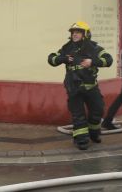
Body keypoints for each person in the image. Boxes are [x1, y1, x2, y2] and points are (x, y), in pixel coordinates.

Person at [48, 21, 113, 150]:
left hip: (91, 87)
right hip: (74, 88)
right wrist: (63, 59)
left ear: (85, 34)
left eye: (78, 32)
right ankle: (81, 140)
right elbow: (51, 59)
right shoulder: (67, 48)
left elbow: (108, 59)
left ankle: (94, 134)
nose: (75, 35)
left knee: (97, 111)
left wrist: (93, 61)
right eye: (73, 32)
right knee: (78, 115)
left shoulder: (94, 48)